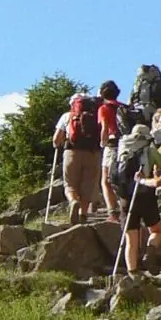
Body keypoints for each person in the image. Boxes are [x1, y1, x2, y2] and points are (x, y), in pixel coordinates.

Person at [111, 124, 161, 273]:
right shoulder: (150, 150)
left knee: (130, 239)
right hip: (146, 195)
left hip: (125, 197)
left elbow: (111, 175)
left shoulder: (121, 149)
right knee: (156, 230)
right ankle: (150, 250)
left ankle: (132, 273)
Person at [51, 90, 106, 224]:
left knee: (70, 183)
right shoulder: (95, 115)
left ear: (73, 104)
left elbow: (56, 140)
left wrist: (58, 144)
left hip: (72, 152)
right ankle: (83, 214)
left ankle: (73, 201)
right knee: (88, 184)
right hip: (93, 153)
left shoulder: (67, 116)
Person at [95, 81, 129, 219]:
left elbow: (105, 127)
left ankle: (112, 212)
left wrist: (103, 143)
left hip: (112, 144)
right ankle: (125, 207)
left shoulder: (104, 108)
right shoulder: (124, 107)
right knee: (123, 177)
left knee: (106, 179)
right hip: (127, 144)